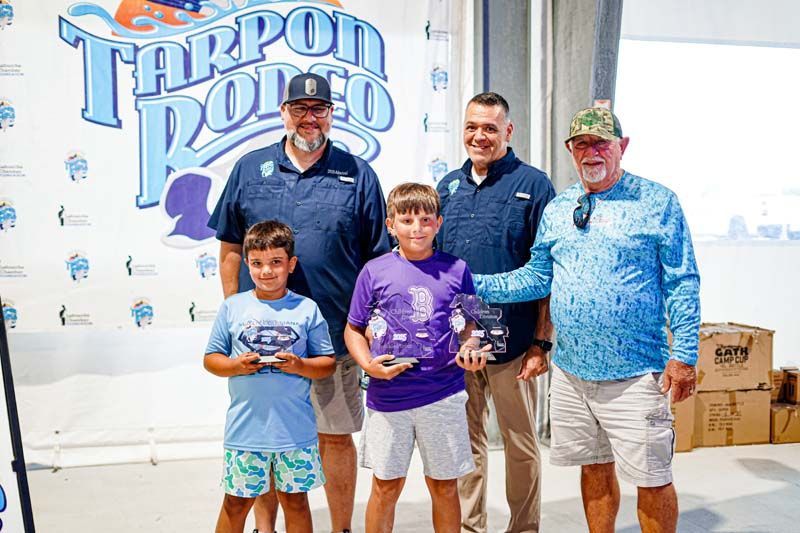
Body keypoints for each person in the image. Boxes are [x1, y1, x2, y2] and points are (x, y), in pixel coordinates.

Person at [473, 107, 700, 533]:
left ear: (622, 147)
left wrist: (684, 355)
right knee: (593, 468)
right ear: (570, 151)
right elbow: (537, 277)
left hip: (635, 374)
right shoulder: (560, 209)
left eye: (601, 143)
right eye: (582, 145)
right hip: (572, 373)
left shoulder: (657, 202)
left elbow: (682, 282)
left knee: (651, 478)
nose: (591, 152)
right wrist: (470, 282)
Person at [208, 72, 391, 533]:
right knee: (269, 440)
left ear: (331, 114)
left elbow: (377, 259)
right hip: (261, 340)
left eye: (319, 110)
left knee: (334, 436)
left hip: (333, 337)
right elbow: (231, 246)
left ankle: (341, 528)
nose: (309, 119)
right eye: (300, 109)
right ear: (283, 111)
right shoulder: (251, 169)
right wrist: (235, 316)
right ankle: (266, 528)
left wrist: (367, 325)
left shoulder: (357, 173)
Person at [437, 92, 555, 533]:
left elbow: (548, 271)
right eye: (472, 127)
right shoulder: (447, 187)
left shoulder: (535, 185)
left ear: (508, 131)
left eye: (490, 127)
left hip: (516, 345)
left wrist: (542, 343)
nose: (479, 136)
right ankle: (471, 528)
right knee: (465, 443)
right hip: (459, 345)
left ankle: (524, 529)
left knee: (520, 444)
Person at [344, 183, 491, 533]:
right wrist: (367, 365)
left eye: (425, 219)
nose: (417, 228)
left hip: (443, 394)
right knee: (386, 486)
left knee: (443, 486)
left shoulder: (457, 270)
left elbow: (470, 324)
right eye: (407, 220)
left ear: (438, 223)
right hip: (388, 398)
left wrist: (471, 348)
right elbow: (353, 329)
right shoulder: (374, 271)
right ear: (391, 224)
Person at [204, 221, 336, 533]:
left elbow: (327, 363)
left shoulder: (306, 308)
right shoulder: (233, 308)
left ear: (291, 264)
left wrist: (299, 365)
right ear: (246, 264)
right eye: (258, 263)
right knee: (235, 504)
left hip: (295, 432)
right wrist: (236, 366)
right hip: (245, 433)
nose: (267, 271)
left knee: (295, 502)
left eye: (276, 262)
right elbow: (211, 359)